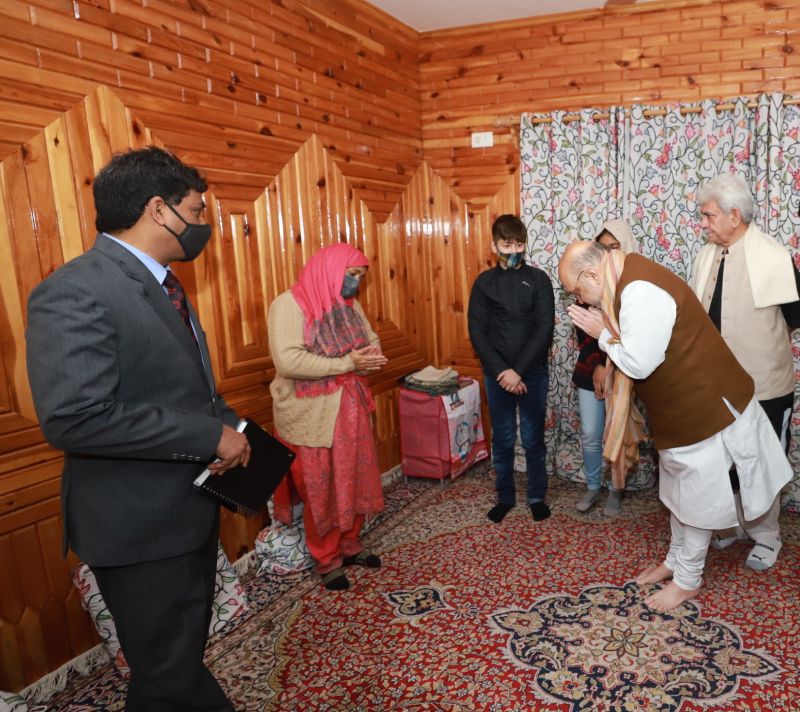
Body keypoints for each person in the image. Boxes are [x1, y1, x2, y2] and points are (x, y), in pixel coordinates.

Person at [26, 147, 249, 711]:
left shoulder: (165, 284)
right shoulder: (76, 288)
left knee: (174, 662)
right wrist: (206, 437)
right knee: (168, 673)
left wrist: (230, 426)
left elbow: (186, 390)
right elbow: (75, 415)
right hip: (137, 525)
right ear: (158, 209)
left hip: (184, 512)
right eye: (196, 211)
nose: (202, 225)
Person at [559, 240, 791, 612]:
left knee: (697, 500)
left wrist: (603, 333)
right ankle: (674, 561)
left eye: (576, 291)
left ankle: (687, 579)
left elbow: (639, 363)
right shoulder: (625, 275)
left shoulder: (639, 290)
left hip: (704, 406)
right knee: (678, 494)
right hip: (679, 410)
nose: (581, 300)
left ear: (592, 274)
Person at [690, 173, 800, 561]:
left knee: (762, 463)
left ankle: (767, 534)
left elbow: (795, 316)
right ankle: (734, 523)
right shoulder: (706, 255)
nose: (703, 224)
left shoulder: (774, 258)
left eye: (709, 215)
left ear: (734, 216)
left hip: (765, 384)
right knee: (724, 459)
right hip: (716, 385)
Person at [268, 244, 387, 591]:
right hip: (311, 417)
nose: (355, 283)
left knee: (355, 480)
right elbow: (289, 361)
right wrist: (348, 363)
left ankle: (350, 545)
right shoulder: (288, 305)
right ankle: (327, 559)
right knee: (322, 491)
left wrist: (369, 357)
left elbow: (370, 340)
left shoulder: (349, 305)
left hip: (351, 410)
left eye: (360, 277)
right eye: (351, 275)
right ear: (330, 270)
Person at [467, 214, 555, 523]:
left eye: (519, 244)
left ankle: (536, 497)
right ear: (494, 246)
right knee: (503, 439)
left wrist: (518, 371)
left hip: (533, 372)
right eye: (507, 245)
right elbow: (477, 331)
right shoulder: (484, 283)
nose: (514, 250)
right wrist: (503, 372)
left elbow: (544, 328)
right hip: (497, 376)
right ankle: (505, 497)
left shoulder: (539, 280)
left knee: (533, 439)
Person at [572, 220, 636, 516]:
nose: (609, 255)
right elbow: (583, 331)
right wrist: (598, 365)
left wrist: (609, 367)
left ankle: (616, 489)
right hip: (590, 372)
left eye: (615, 247)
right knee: (591, 433)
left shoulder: (634, 287)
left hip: (623, 373)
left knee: (617, 432)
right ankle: (593, 485)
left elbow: (631, 334)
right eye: (604, 249)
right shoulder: (587, 281)